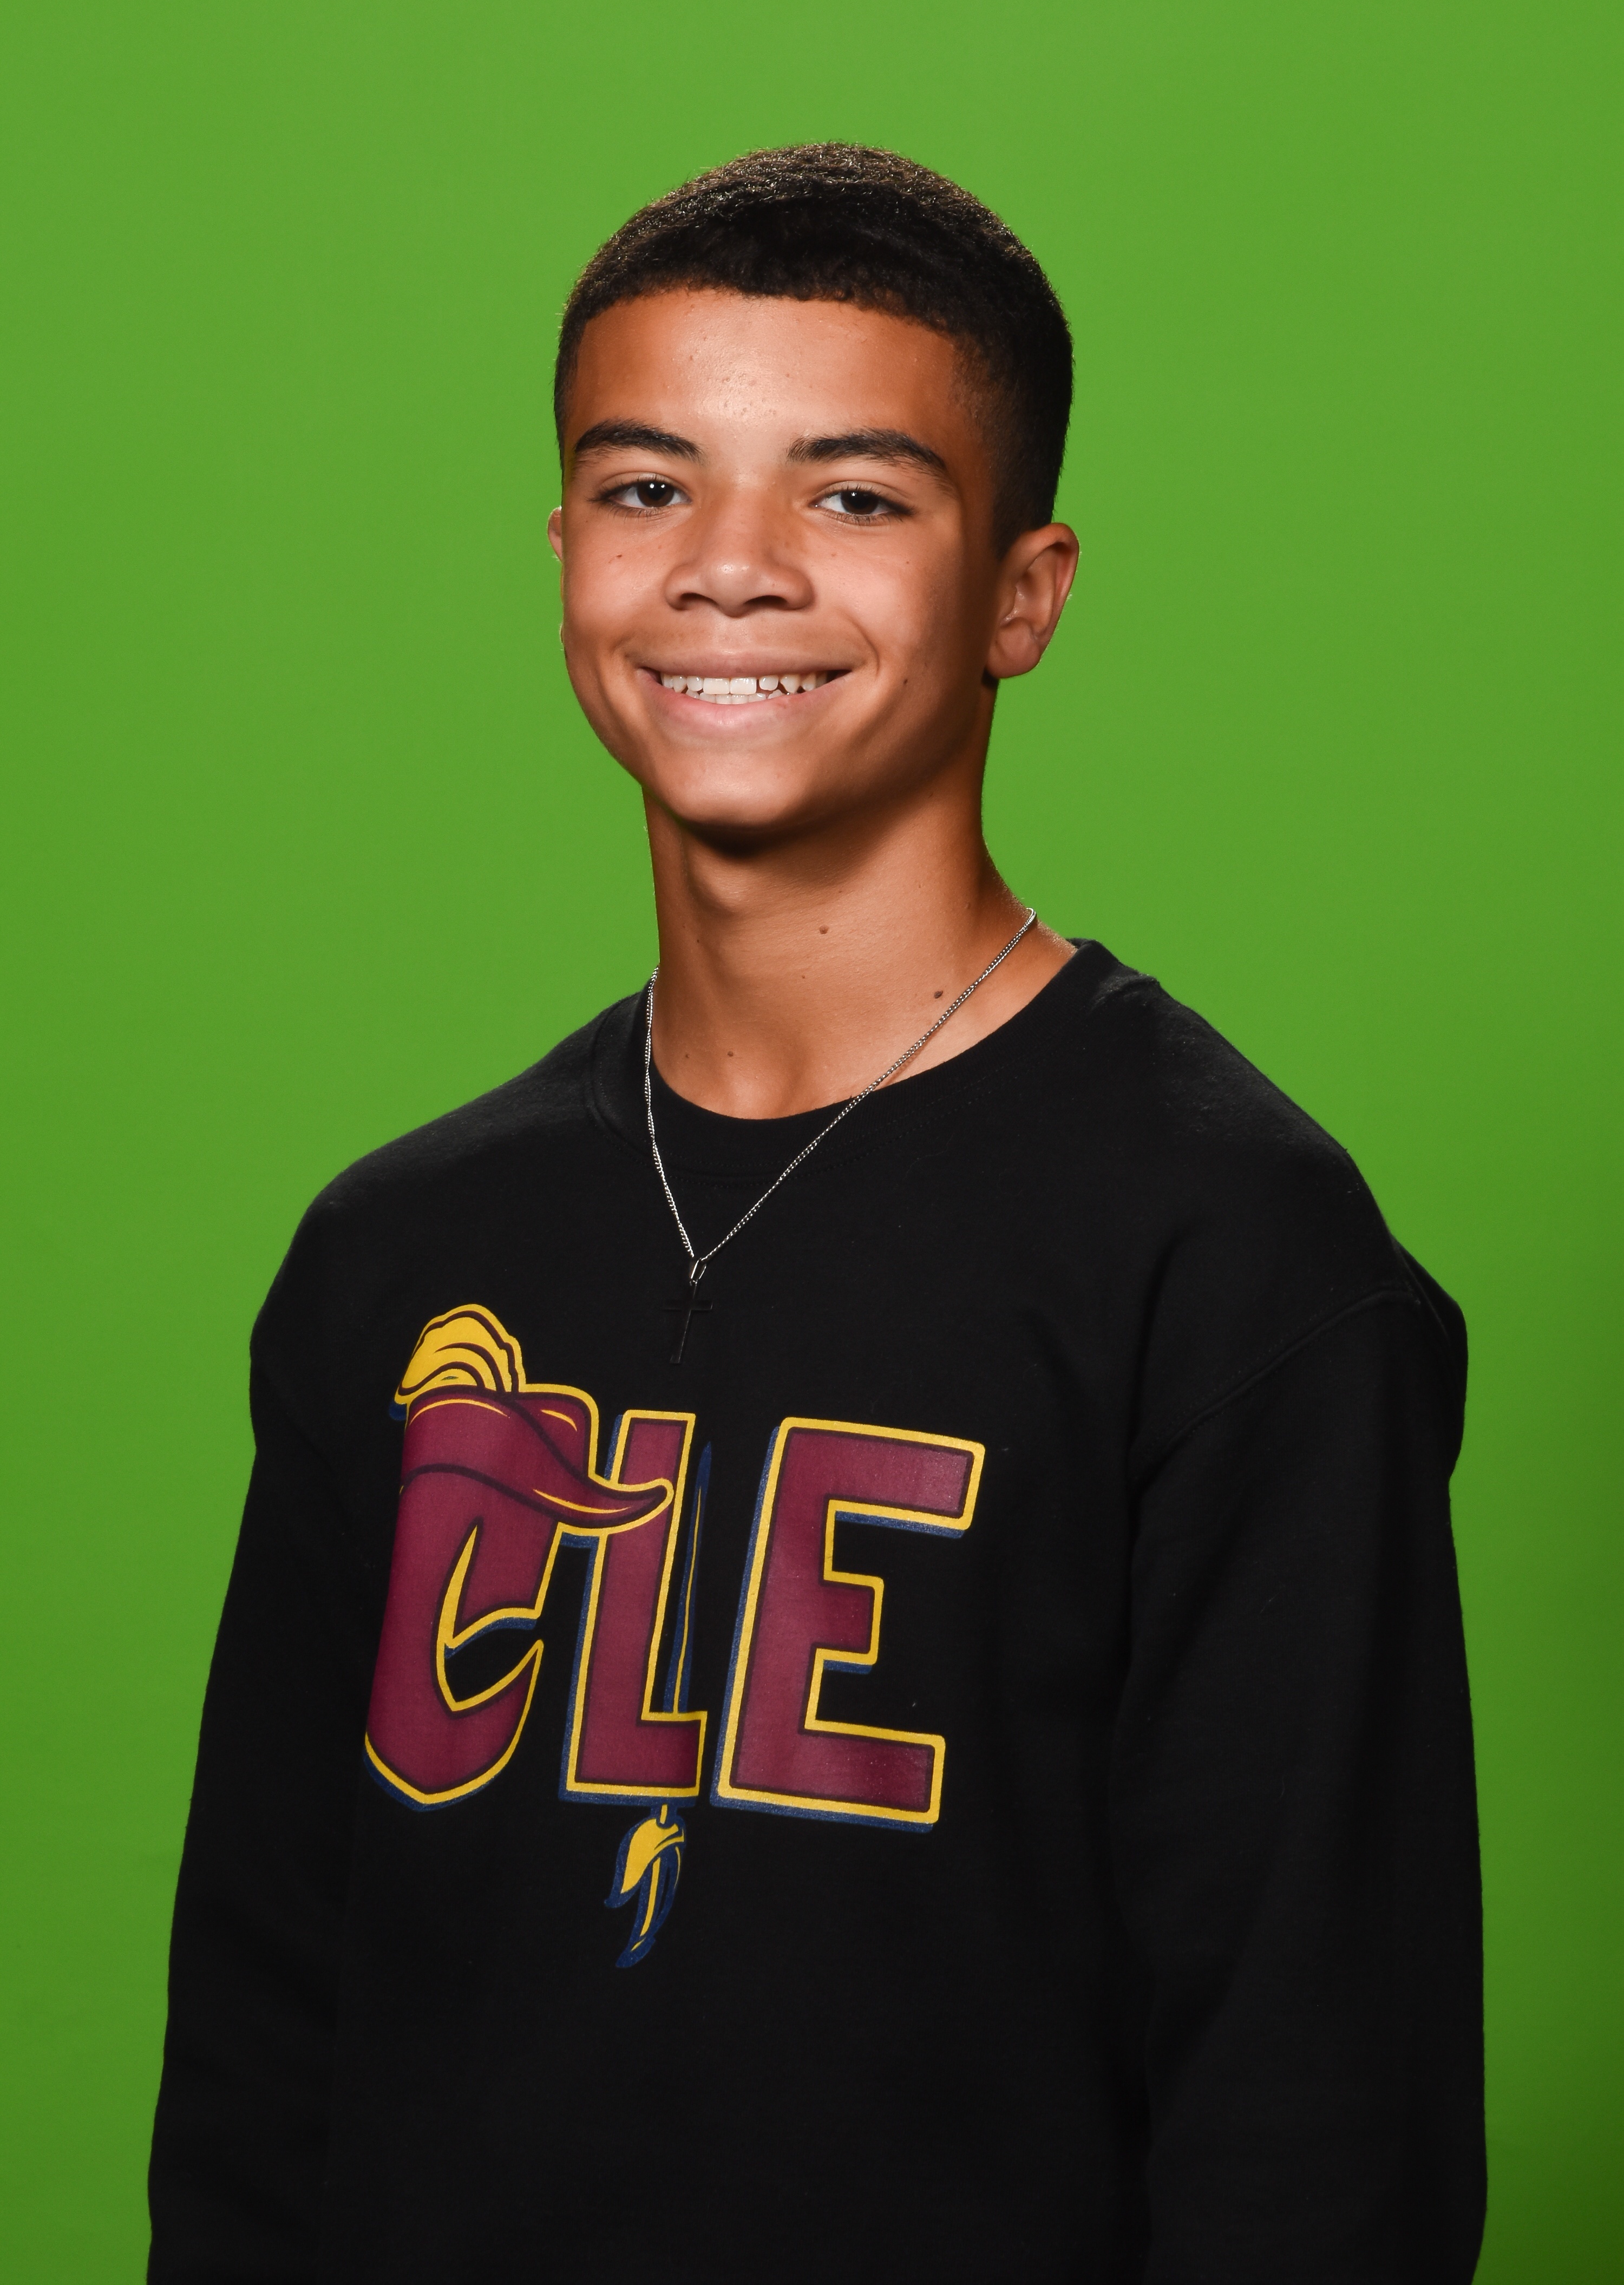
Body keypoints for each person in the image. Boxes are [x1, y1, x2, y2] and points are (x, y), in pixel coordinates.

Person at [148, 144, 1485, 2283]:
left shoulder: (1239, 1265)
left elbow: (1319, 2125)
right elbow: (258, 2058)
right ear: (564, 551)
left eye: (855, 496)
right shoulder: (395, 1258)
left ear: (1023, 593)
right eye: (646, 485)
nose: (732, 571)